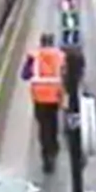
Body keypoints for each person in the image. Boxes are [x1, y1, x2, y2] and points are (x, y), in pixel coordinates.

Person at [21, 33, 66, 173]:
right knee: (53, 124)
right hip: (55, 97)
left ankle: (46, 155)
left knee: (43, 127)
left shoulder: (33, 56)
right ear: (52, 43)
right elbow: (65, 74)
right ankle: (54, 148)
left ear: (41, 43)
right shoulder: (60, 56)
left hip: (39, 98)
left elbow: (25, 75)